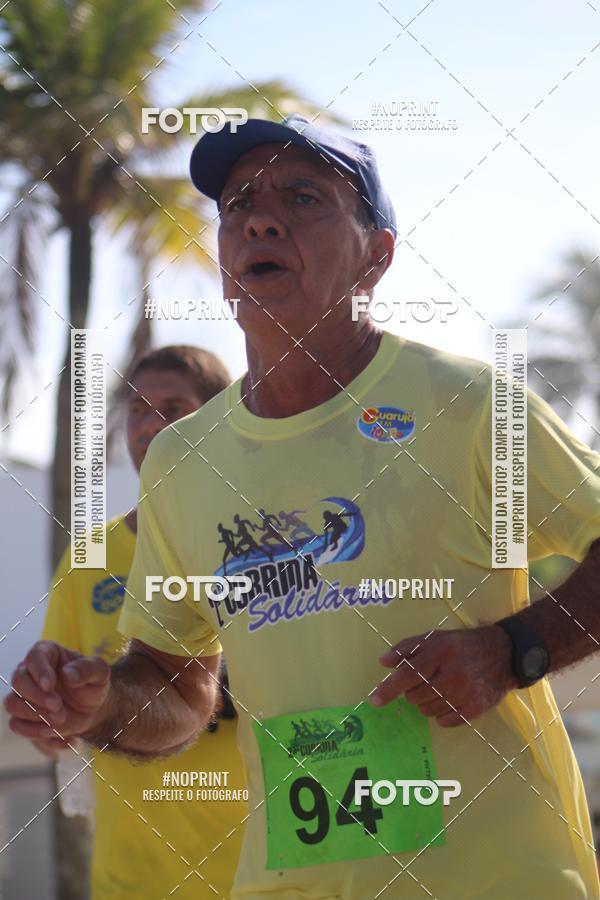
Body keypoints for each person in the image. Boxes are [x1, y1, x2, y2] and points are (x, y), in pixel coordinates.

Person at [6, 116, 600, 899]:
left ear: (376, 255)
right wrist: (98, 701)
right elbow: (177, 688)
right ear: (224, 264)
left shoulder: (466, 404)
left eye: (304, 196)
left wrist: (514, 649)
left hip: (499, 879)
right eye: (239, 201)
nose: (260, 215)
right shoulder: (184, 462)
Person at [26, 345, 247, 899]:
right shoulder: (88, 560)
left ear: (219, 420)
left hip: (263, 878)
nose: (152, 425)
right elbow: (59, 728)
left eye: (173, 408)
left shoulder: (271, 541)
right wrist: (50, 711)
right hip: (130, 882)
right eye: (139, 408)